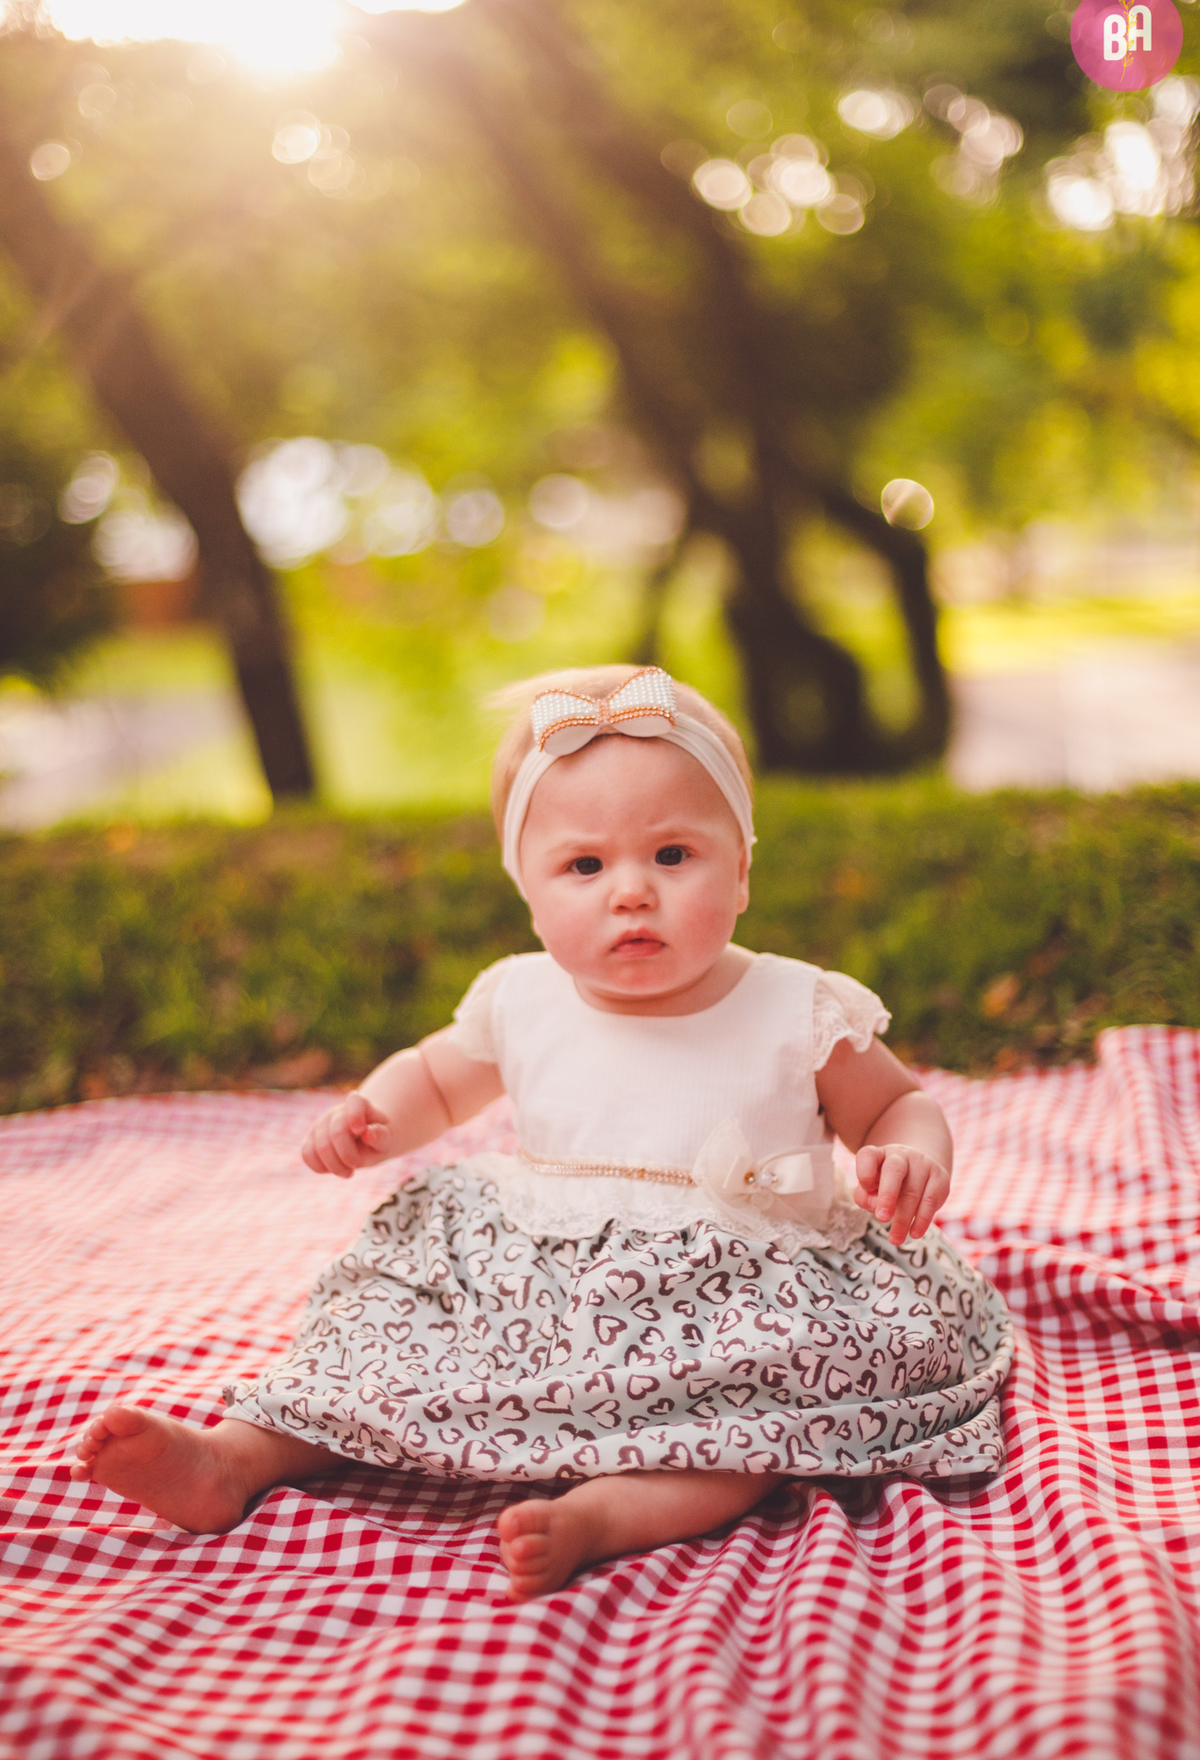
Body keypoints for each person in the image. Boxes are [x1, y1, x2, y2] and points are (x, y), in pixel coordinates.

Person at [72, 664, 1012, 1600]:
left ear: (744, 867)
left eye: (674, 856)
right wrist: (374, 1117)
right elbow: (437, 1079)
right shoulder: (520, 997)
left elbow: (896, 1104)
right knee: (389, 1337)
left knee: (759, 1415)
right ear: (527, 887)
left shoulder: (793, 1006)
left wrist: (906, 1151)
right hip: (531, 1280)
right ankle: (236, 1457)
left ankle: (602, 1514)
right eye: (585, 866)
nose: (632, 892)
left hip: (732, 1298)